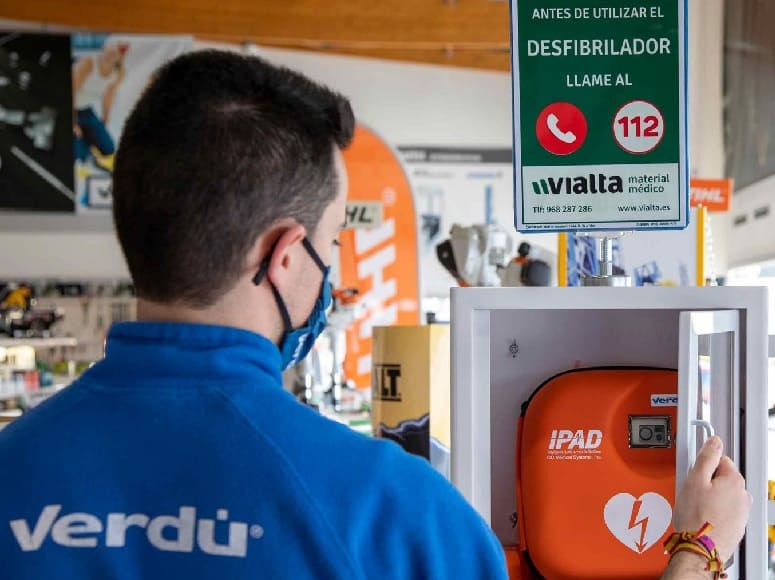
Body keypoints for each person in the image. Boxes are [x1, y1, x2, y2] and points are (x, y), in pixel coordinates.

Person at [0, 50, 751, 579]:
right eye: (332, 241)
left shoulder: (15, 474)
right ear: (283, 256)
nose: (335, 269)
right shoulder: (396, 518)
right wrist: (698, 552)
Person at [72, 41, 129, 171]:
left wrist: (105, 119)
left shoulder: (119, 74)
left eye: (114, 54)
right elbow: (72, 92)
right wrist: (73, 123)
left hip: (85, 110)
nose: (109, 56)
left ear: (119, 57)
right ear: (102, 51)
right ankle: (85, 148)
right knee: (80, 156)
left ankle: (87, 139)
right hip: (71, 109)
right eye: (107, 52)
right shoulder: (89, 64)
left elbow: (108, 96)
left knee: (109, 148)